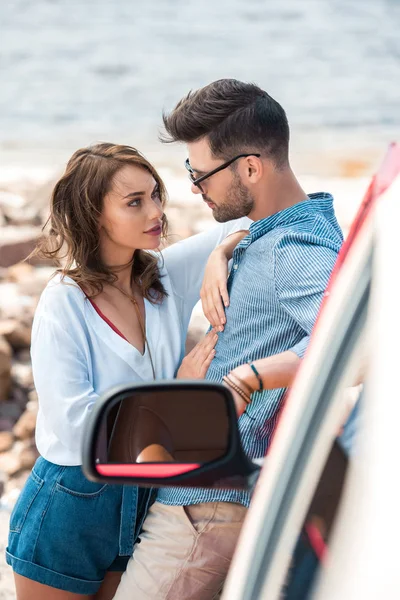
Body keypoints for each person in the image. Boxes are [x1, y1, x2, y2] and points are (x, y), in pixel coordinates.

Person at [113, 79, 344, 600]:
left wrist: (248, 377)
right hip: (206, 496)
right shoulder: (276, 231)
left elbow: (350, 345)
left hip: (207, 509)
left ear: (251, 168)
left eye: (201, 175)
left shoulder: (297, 247)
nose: (196, 189)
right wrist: (227, 250)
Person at [5, 142, 251, 599]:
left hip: (141, 497)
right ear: (94, 214)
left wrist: (220, 256)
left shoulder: (164, 278)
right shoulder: (64, 301)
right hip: (71, 501)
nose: (156, 210)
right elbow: (75, 424)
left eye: (155, 194)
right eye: (135, 202)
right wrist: (177, 395)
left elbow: (244, 222)